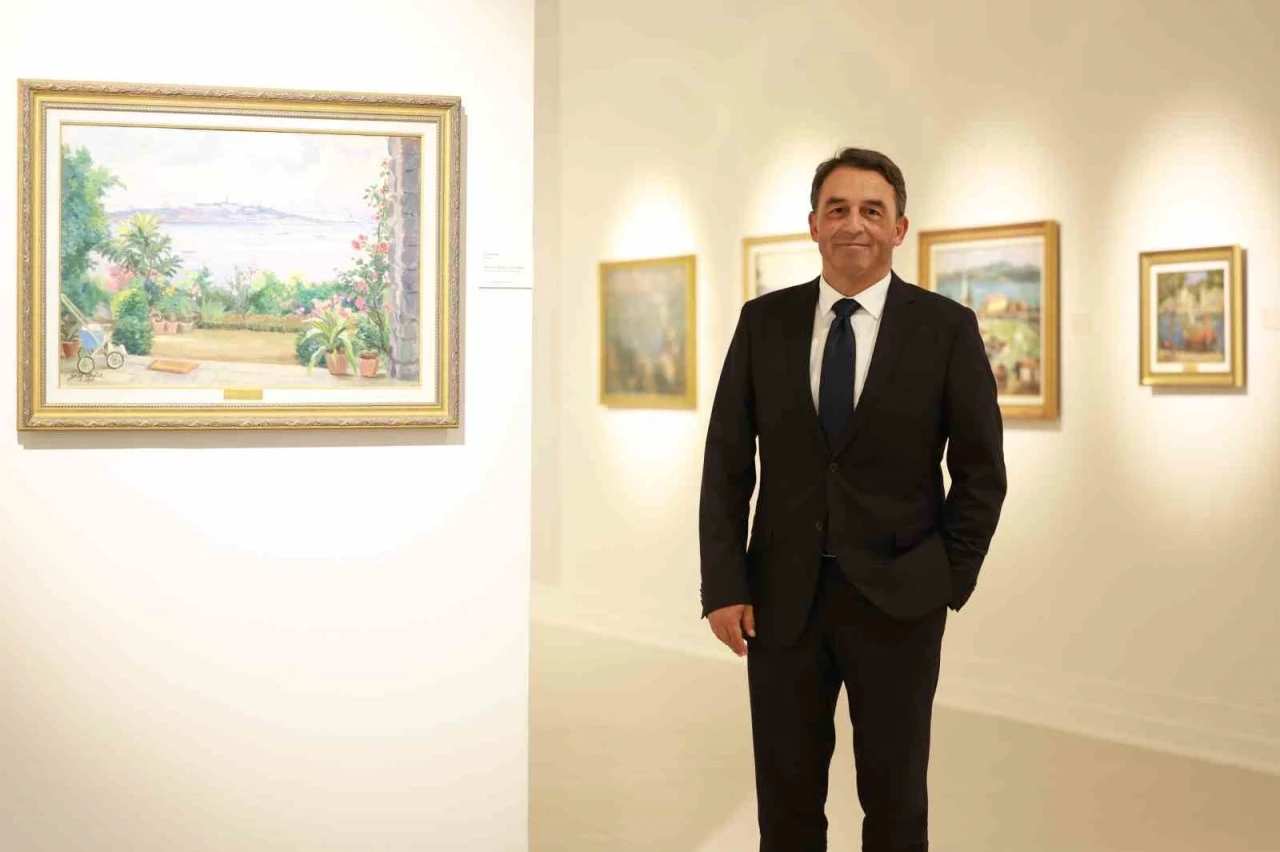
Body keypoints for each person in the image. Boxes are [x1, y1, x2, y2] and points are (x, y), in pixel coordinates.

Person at [698, 147, 1007, 852]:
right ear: (813, 225)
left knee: (896, 802)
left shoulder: (945, 329)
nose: (853, 224)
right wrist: (724, 584)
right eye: (837, 209)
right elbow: (726, 465)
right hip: (781, 602)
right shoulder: (763, 323)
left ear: (900, 228)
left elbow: (982, 472)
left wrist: (945, 577)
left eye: (872, 210)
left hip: (900, 602)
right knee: (786, 802)